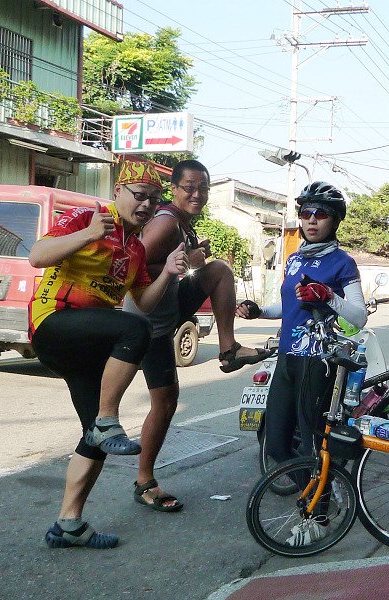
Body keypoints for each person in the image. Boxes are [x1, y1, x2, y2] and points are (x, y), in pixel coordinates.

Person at [28, 161, 188, 549]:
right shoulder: (88, 217)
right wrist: (85, 235)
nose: (147, 205)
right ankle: (107, 419)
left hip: (88, 342)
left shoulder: (134, 248)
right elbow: (37, 255)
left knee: (93, 440)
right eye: (139, 196)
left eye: (154, 199)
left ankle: (69, 524)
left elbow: (145, 303)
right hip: (54, 322)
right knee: (134, 329)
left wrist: (167, 272)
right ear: (118, 191)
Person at [122, 159, 272, 512]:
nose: (197, 193)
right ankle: (141, 481)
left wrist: (190, 257)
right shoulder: (167, 221)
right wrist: (188, 260)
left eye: (203, 187)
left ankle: (228, 348)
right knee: (134, 408)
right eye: (189, 186)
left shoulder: (180, 224)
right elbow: (133, 262)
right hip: (144, 326)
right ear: (173, 189)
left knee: (218, 270)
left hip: (165, 315)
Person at [235, 181, 367, 546]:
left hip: (318, 362)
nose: (311, 220)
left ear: (335, 220)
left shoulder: (342, 262)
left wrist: (328, 297)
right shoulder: (295, 258)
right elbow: (287, 307)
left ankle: (319, 515)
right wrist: (259, 311)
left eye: (320, 214)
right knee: (276, 442)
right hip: (288, 357)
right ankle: (323, 488)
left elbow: (359, 317)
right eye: (305, 213)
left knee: (312, 443)